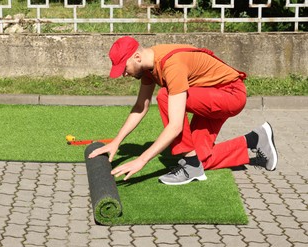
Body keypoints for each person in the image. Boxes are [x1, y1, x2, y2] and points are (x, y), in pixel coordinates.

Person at [88, 36, 278, 185]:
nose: (123, 74)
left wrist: (142, 160)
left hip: (230, 94)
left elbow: (176, 126)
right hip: (208, 95)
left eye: (124, 67)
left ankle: (191, 163)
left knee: (164, 96)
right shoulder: (147, 68)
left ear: (137, 57)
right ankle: (255, 139)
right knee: (200, 159)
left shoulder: (171, 65)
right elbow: (140, 107)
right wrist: (116, 142)